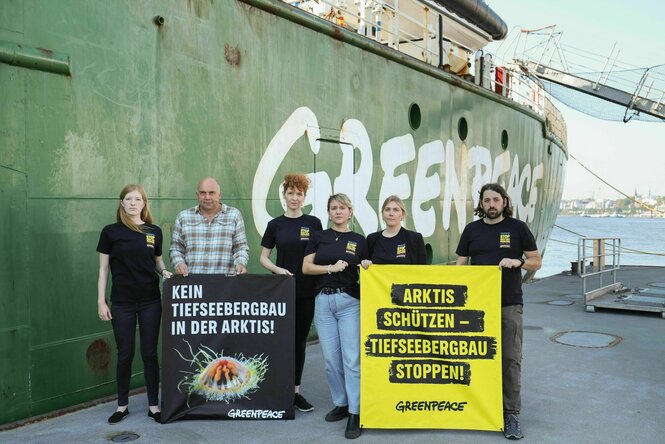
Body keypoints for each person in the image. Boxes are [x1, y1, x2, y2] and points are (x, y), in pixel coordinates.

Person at [455, 183, 542, 440]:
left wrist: (519, 262)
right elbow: (460, 267)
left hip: (508, 303)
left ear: (504, 202)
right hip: (477, 307)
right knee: (474, 358)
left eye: (495, 199)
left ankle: (510, 413)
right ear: (480, 204)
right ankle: (477, 407)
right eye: (486, 200)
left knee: (510, 359)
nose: (491, 204)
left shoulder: (517, 228)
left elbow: (536, 260)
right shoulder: (471, 230)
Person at [97, 184, 172, 424]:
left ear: (143, 203)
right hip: (122, 304)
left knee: (150, 354)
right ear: (121, 203)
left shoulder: (153, 231)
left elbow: (157, 261)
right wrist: (101, 301)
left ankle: (153, 406)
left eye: (137, 199)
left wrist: (164, 272)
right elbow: (103, 269)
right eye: (128, 199)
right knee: (125, 354)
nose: (132, 203)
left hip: (150, 301)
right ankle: (122, 406)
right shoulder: (110, 232)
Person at [302, 193, 368, 440]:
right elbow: (306, 267)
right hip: (323, 301)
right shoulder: (319, 237)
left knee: (351, 359)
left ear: (350, 211)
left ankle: (355, 411)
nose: (338, 212)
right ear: (328, 213)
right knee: (331, 359)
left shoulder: (359, 240)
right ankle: (341, 403)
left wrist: (367, 265)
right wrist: (329, 268)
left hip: (349, 301)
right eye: (333, 208)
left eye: (342, 208)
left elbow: (368, 267)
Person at [260, 173, 323, 413]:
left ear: (304, 197)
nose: (294, 198)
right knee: (279, 341)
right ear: (284, 195)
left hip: (306, 291)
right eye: (290, 193)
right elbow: (263, 258)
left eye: (299, 194)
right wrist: (278, 270)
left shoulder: (314, 223)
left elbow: (320, 254)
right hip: (281, 292)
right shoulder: (275, 225)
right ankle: (277, 389)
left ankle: (295, 392)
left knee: (299, 343)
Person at [170, 177, 249, 275]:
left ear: (220, 195)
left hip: (224, 284)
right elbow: (176, 249)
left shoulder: (234, 215)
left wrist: (240, 263)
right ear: (197, 195)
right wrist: (179, 263)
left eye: (212, 193)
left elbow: (240, 247)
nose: (207, 197)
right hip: (193, 284)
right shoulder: (183, 217)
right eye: (203, 193)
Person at [361, 195, 426, 268]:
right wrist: (365, 264)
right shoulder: (372, 239)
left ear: (402, 215)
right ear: (382, 214)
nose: (391, 213)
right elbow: (365, 268)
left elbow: (422, 271)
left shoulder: (414, 239)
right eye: (387, 209)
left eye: (395, 210)